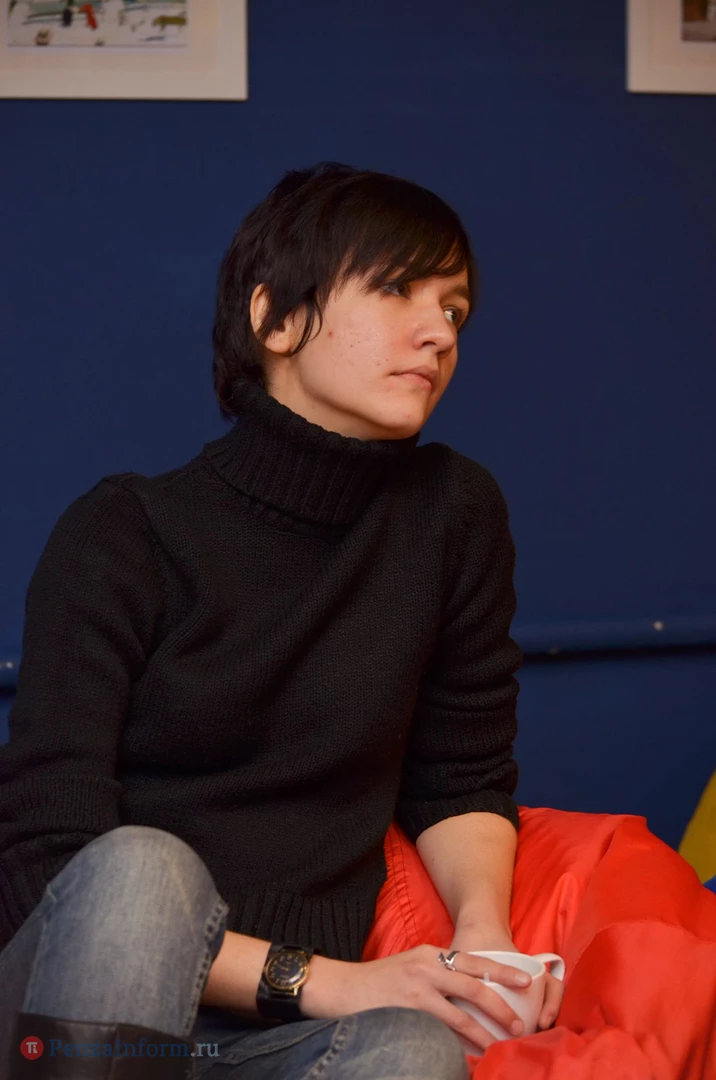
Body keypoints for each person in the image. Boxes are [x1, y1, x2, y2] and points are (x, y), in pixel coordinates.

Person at [0, 162, 563, 1079]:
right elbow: (47, 857)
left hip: (267, 1042)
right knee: (147, 871)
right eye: (397, 290)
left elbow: (461, 774)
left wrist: (482, 942)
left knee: (414, 1051)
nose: (438, 334)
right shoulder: (125, 532)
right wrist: (331, 982)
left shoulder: (453, 515)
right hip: (74, 1012)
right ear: (275, 319)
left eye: (455, 310)